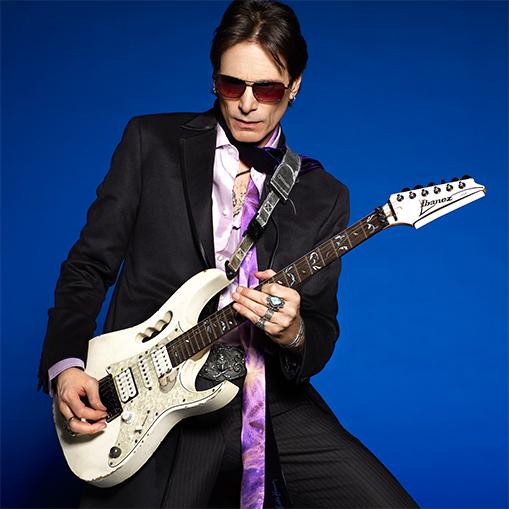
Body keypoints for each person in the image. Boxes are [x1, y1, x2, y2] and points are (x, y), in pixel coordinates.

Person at [38, 1, 419, 507]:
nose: (247, 104)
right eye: (231, 85)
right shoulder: (151, 143)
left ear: (295, 85)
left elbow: (322, 327)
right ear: (214, 78)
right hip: (152, 392)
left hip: (267, 397)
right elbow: (88, 265)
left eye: (268, 89)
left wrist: (294, 332)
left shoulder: (323, 195)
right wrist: (66, 367)